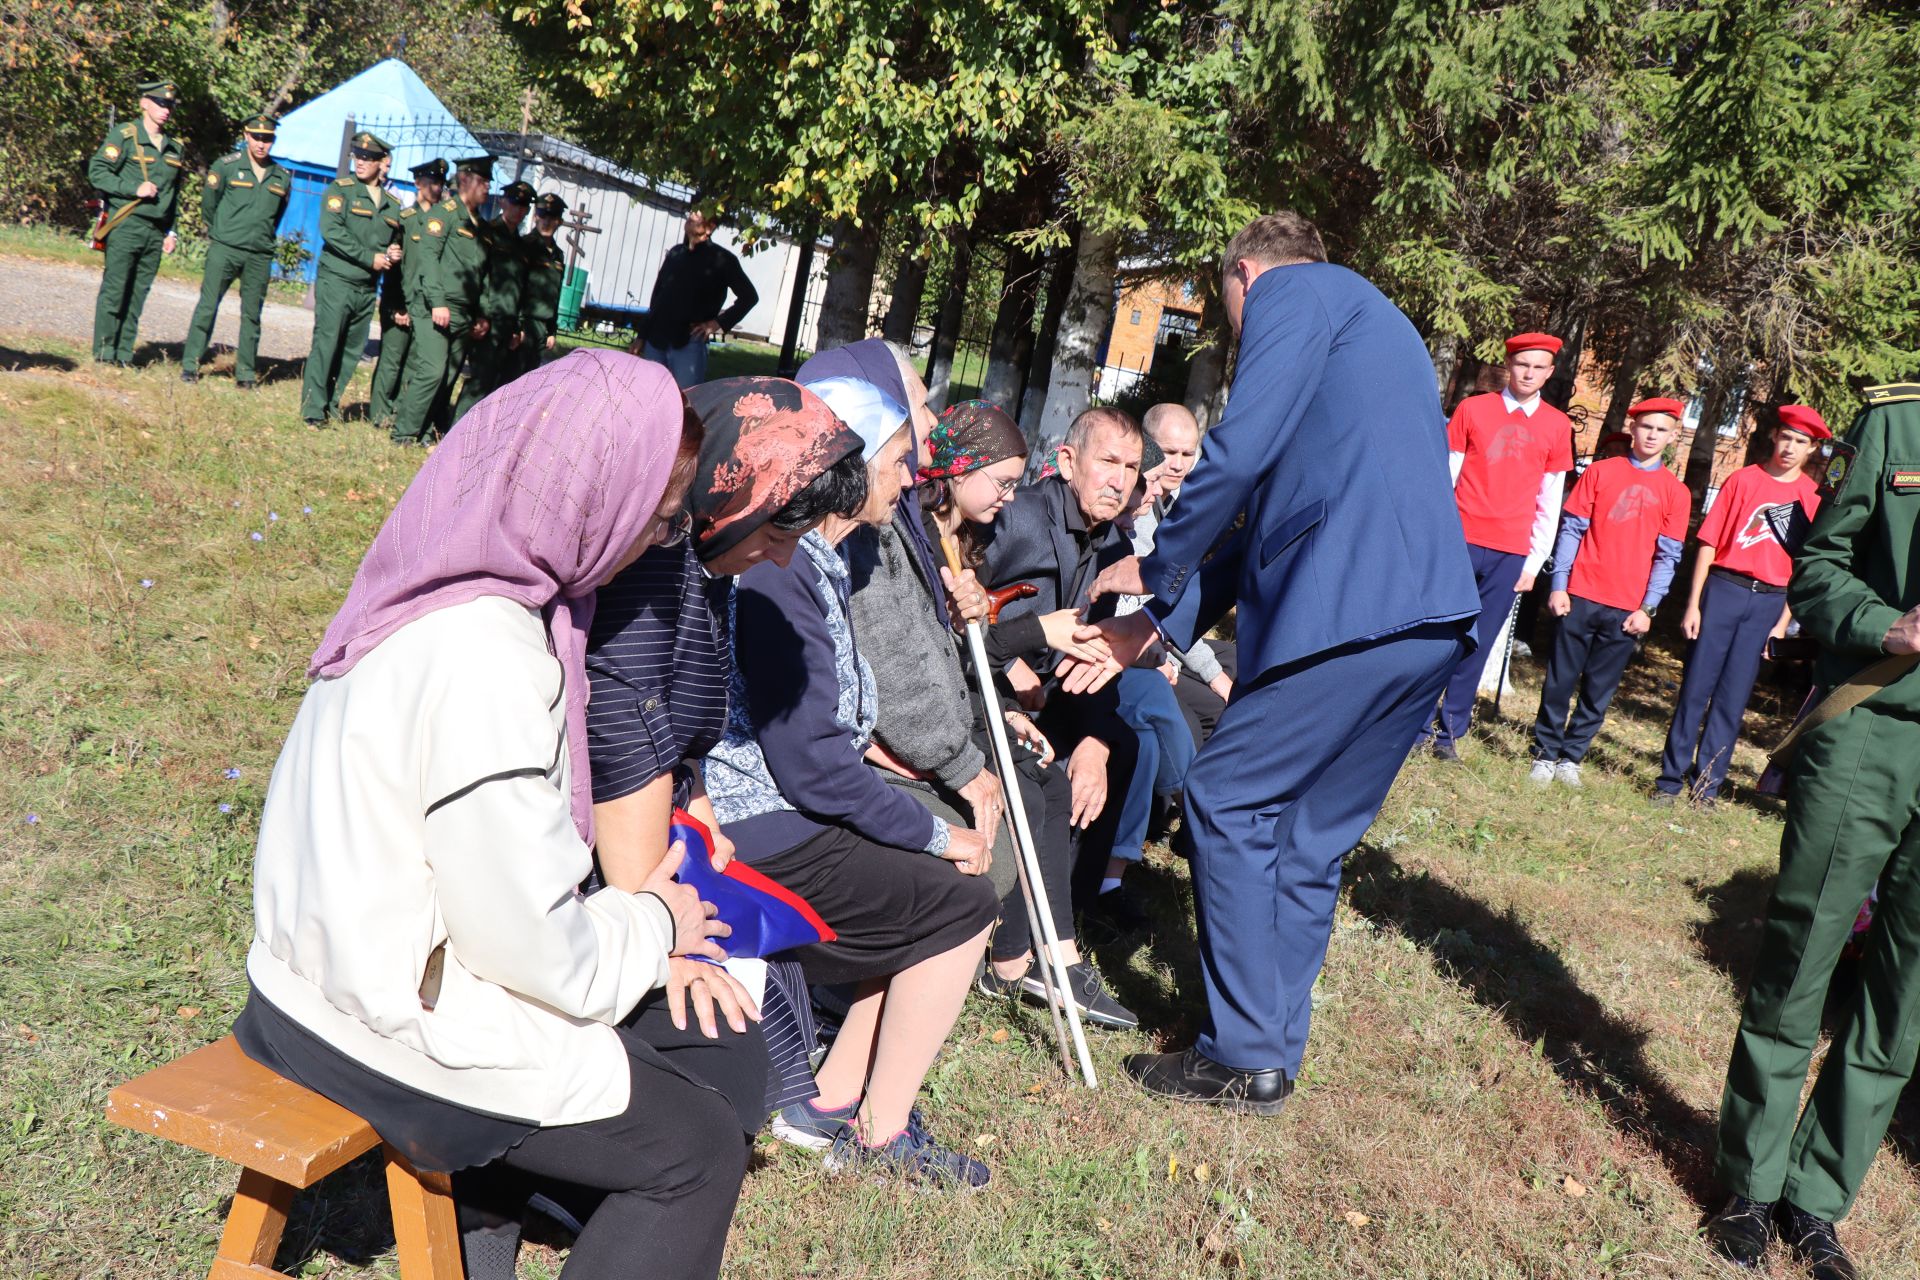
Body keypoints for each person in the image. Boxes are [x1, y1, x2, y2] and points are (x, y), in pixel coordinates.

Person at [232, 349, 767, 1280]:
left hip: (301, 981)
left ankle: (488, 1219)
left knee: (678, 1057)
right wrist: (653, 919)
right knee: (696, 1150)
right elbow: (530, 948)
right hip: (381, 1030)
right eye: (659, 515)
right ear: (591, 496)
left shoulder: (431, 579)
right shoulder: (491, 656)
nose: (658, 541)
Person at [1086, 210, 1479, 1112]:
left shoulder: (1297, 293)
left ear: (1245, 274)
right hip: (1423, 619)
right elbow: (1257, 520)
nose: (1233, 330)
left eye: (1226, 308)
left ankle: (1240, 1054)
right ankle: (1272, 1050)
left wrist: (1156, 559)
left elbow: (1234, 457)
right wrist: (1158, 623)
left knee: (1225, 796)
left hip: (1349, 609)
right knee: (1306, 838)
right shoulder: (1372, 334)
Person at [699, 375, 1002, 1189]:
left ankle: (827, 1099)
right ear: (849, 463)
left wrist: (890, 776)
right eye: (899, 459)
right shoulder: (782, 569)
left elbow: (825, 734)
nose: (909, 479)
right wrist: (940, 831)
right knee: (965, 903)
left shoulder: (817, 560)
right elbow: (810, 765)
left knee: (923, 884)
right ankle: (877, 1131)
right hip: (752, 821)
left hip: (780, 802)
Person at [1702, 382, 1920, 1280]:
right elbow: (1820, 563)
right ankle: (1749, 1179)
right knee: (1805, 954)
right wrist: (1886, 626)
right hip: (1875, 723)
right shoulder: (1898, 422)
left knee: (1906, 996)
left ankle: (1817, 1198)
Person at [976, 407, 1146, 926]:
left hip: (1054, 692)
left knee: (1120, 745)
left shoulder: (1115, 543)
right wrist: (1006, 668)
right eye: (1108, 461)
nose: (1119, 481)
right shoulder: (1015, 517)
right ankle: (1024, 929)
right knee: (1043, 765)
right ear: (1068, 461)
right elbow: (948, 614)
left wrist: (1095, 743)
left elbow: (1100, 652)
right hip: (985, 685)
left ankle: (1075, 907)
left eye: (1133, 468)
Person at [1654, 405, 1828, 807]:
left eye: (1800, 442)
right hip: (1724, 589)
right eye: (1785, 437)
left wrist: (1783, 624)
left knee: (1733, 699)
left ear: (1812, 449)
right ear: (1774, 437)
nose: (1789, 447)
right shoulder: (1743, 480)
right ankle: (1669, 781)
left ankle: (1706, 788)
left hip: (1769, 601)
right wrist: (1693, 604)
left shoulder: (1812, 498)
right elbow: (1709, 544)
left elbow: (1804, 570)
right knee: (1695, 689)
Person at [1420, 332, 1575, 758]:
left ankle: (1449, 732)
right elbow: (1446, 477)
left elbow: (1550, 500)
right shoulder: (1473, 408)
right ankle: (1411, 722)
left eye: (1538, 366)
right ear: (1509, 365)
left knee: (1478, 642)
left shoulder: (1558, 426)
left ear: (1549, 372)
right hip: (1460, 541)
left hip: (1510, 553)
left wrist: (1534, 561)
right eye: (1522, 363)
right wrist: (1437, 539)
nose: (1528, 373)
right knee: (1436, 635)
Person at [1526, 398, 1689, 785]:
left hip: (1626, 608)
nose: (1652, 435)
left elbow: (1668, 556)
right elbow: (1572, 530)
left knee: (1599, 690)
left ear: (1672, 437)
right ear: (1633, 428)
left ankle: (1572, 757)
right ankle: (1545, 753)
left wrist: (1648, 608)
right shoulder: (1600, 472)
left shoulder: (1676, 493)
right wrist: (1560, 585)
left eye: (1661, 430)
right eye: (1646, 427)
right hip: (1580, 594)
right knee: (1560, 680)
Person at [1141, 402, 1238, 745]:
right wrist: (1214, 677)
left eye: (1188, 452)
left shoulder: (1176, 502)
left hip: (1166, 636)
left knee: (1240, 662)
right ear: (1146, 445)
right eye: (1169, 452)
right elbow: (1157, 607)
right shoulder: (1138, 513)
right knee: (1219, 705)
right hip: (1145, 642)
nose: (1179, 464)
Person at [180, 115, 291, 389]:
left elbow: (276, 216)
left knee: (252, 315)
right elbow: (210, 205)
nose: (262, 143)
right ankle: (190, 365)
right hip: (226, 248)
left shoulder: (281, 176)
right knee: (207, 306)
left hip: (259, 254)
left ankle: (245, 373)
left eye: (268, 139)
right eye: (257, 137)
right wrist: (223, 232)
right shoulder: (227, 166)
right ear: (246, 135)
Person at [390, 155, 493, 446]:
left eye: (488, 182)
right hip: (433, 307)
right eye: (481, 181)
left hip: (464, 312)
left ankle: (425, 431)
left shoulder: (481, 228)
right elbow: (427, 258)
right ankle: (404, 432)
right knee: (433, 369)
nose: (486, 187)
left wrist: (483, 313)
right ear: (464, 181)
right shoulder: (444, 214)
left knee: (448, 375)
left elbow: (483, 274)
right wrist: (437, 301)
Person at [299, 131, 398, 428]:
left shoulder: (393, 205)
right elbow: (333, 232)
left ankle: (331, 403)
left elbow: (393, 240)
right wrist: (371, 258)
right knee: (327, 343)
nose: (361, 162)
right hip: (337, 281)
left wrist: (393, 251)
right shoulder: (340, 190)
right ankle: (313, 410)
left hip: (366, 288)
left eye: (369, 158)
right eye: (358, 156)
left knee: (351, 350)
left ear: (384, 162)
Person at [89, 75, 184, 367]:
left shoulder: (175, 148)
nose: (165, 109)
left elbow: (173, 194)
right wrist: (133, 189)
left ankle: (124, 354)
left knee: (138, 295)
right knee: (116, 290)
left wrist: (172, 232)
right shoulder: (126, 135)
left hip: (155, 232)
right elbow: (98, 171)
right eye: (159, 103)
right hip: (127, 225)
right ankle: (105, 353)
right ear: (144, 104)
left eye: (169, 104)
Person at [368, 157, 450, 429]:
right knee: (391, 361)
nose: (437, 188)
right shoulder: (404, 220)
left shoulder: (443, 223)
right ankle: (379, 413)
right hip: (400, 302)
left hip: (425, 307)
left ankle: (401, 411)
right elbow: (393, 268)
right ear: (418, 183)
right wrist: (395, 307)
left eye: (441, 183)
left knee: (415, 364)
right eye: (432, 182)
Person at [638, 205, 758, 387]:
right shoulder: (675, 253)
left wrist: (718, 323)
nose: (692, 215)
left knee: (686, 402)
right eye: (692, 212)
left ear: (710, 227)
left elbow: (749, 297)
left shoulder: (722, 259)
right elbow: (657, 299)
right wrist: (642, 336)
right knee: (647, 396)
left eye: (699, 213)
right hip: (656, 340)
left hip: (689, 343)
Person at [454, 179, 534, 421]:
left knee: (496, 384)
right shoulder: (488, 234)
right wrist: (479, 315)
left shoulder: (521, 245)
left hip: (507, 323)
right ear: (502, 202)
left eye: (524, 207)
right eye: (514, 204)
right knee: (478, 380)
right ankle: (456, 428)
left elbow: (519, 289)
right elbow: (477, 278)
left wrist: (517, 327)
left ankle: (477, 433)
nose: (518, 211)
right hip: (487, 320)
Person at [519, 192, 569, 377]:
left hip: (541, 328)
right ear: (535, 217)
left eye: (552, 217)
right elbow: (516, 288)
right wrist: (518, 326)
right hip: (524, 324)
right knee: (509, 381)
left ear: (560, 222)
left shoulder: (558, 255)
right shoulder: (524, 245)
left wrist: (552, 330)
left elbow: (554, 294)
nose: (546, 222)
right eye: (542, 216)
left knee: (527, 381)